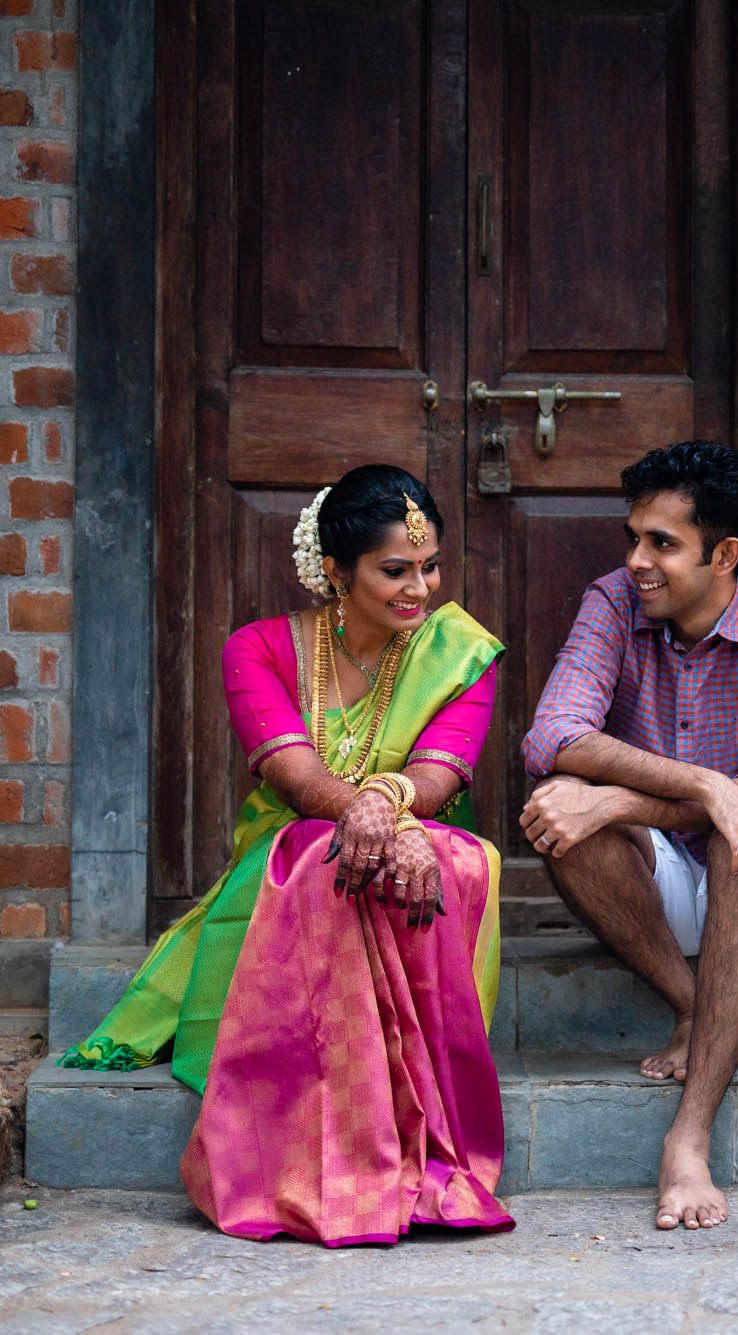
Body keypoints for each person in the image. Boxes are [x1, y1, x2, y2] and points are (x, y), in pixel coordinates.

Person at [61, 465, 512, 1247]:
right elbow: (295, 779)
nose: (421, 590)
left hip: (420, 848)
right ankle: (312, 1149)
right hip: (298, 857)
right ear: (335, 571)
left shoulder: (462, 651)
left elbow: (440, 773)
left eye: (431, 566)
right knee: (314, 849)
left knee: (462, 860)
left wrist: (392, 811)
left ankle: (409, 1131)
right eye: (395, 571)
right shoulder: (260, 648)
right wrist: (368, 813)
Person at [519, 440, 738, 1233]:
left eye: (662, 542)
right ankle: (692, 1002)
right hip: (665, 879)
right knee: (563, 805)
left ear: (724, 553)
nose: (637, 560)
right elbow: (551, 735)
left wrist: (623, 801)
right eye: (634, 537)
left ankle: (689, 1137)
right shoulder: (613, 601)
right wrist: (700, 784)